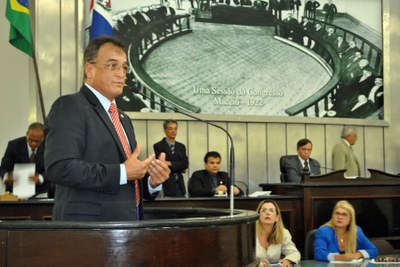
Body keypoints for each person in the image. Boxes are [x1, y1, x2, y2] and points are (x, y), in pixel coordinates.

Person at [44, 36, 170, 221]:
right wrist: (122, 172)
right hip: (87, 230)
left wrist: (151, 182)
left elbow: (126, 179)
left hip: (128, 228)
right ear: (90, 69)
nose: (121, 74)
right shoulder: (70, 106)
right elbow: (60, 168)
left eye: (124, 67)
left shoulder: (123, 118)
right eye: (112, 65)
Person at [0, 122, 49, 195]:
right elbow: (3, 168)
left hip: (40, 192)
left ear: (43, 138)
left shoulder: (48, 147)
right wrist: (7, 177)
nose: (33, 143)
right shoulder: (14, 145)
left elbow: (52, 169)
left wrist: (41, 178)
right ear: (27, 134)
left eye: (37, 141)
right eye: (31, 139)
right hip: (15, 192)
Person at [255, 200, 301, 267]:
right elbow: (241, 259)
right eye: (264, 210)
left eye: (271, 210)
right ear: (258, 215)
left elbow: (294, 253)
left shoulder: (283, 233)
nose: (267, 213)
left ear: (277, 217)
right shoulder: (249, 233)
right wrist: (256, 262)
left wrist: (288, 260)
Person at [153, 119, 188, 197]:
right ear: (165, 131)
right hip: (166, 183)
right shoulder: (158, 146)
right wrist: (179, 167)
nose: (173, 131)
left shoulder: (181, 146)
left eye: (175, 129)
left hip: (179, 185)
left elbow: (185, 164)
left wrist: (169, 163)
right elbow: (162, 165)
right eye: (170, 128)